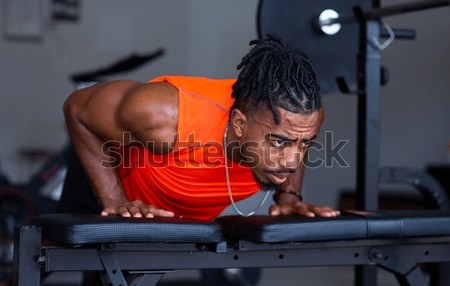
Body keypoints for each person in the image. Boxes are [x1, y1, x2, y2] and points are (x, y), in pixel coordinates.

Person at [59, 34, 340, 221]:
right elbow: (77, 109)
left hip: (174, 217)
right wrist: (116, 200)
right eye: (278, 142)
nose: (293, 161)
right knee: (48, 266)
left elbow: (295, 137)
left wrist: (289, 196)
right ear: (240, 124)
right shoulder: (163, 114)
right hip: (109, 184)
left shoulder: (302, 115)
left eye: (306, 144)